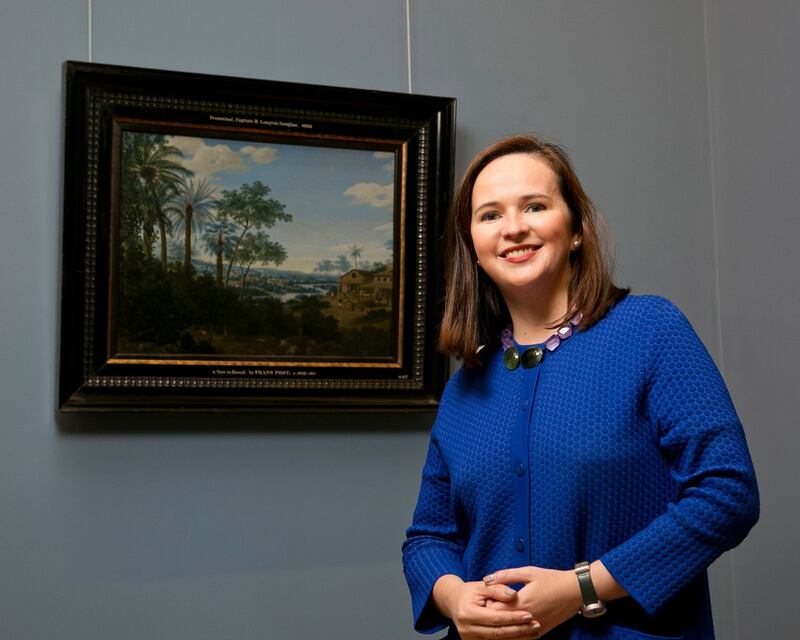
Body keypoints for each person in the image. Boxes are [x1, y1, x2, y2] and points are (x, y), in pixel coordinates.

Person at [402, 134, 759, 640]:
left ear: (574, 229)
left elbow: (727, 493)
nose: (514, 228)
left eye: (535, 205)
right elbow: (428, 537)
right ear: (474, 248)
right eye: (490, 215)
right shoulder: (466, 388)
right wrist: (453, 595)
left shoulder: (649, 331)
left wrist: (582, 588)